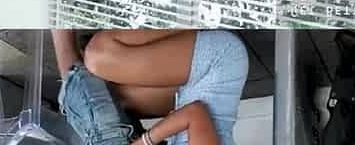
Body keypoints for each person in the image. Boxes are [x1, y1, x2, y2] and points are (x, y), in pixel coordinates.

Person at [53, 30, 249, 145]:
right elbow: (195, 113)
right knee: (98, 56)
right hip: (216, 62)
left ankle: (61, 30)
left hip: (187, 93)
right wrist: (144, 142)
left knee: (109, 97)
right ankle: (184, 22)